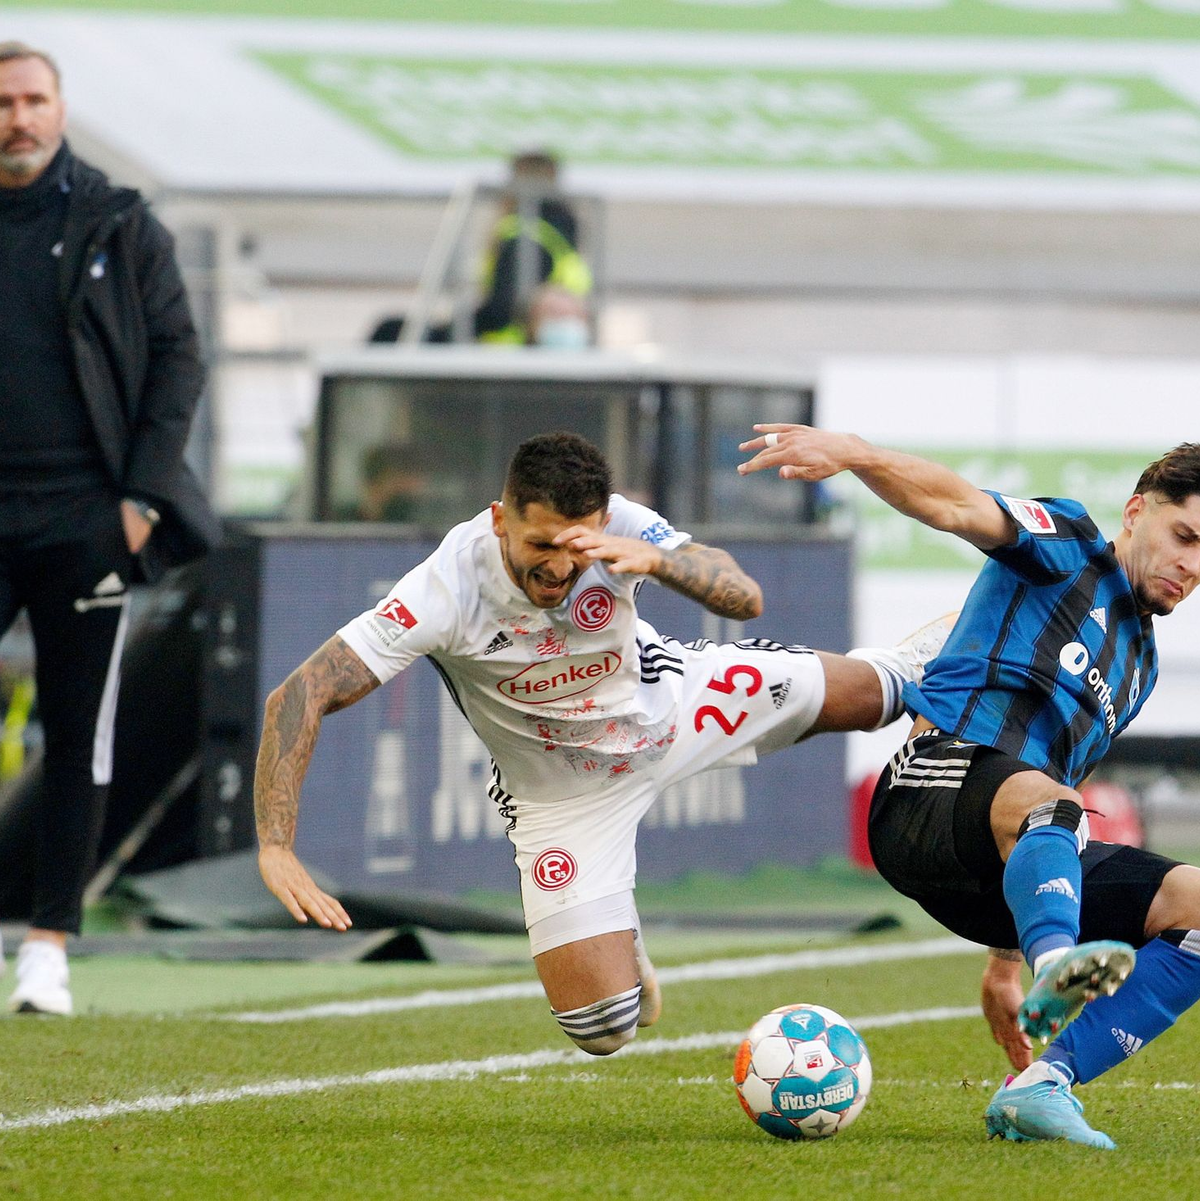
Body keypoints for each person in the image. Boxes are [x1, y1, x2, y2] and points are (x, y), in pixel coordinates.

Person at [254, 431, 949, 1055]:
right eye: (541, 545)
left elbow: (744, 596)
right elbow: (300, 696)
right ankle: (622, 931)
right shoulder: (444, 589)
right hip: (564, 792)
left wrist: (656, 557)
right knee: (605, 1027)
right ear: (501, 520)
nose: (558, 567)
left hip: (671, 705)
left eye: (576, 545)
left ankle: (930, 650)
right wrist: (277, 845)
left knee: (874, 696)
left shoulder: (622, 525)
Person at [739, 425, 1200, 1149]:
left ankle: (1040, 1086)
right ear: (1138, 511)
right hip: (925, 792)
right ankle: (1061, 966)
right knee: (1056, 802)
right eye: (1185, 535)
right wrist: (854, 454)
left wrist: (1002, 962)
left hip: (999, 854)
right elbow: (955, 504)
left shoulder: (1138, 661)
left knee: (1196, 908)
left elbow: (1050, 804)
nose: (1190, 564)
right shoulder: (1068, 542)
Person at [0, 42, 219, 1014]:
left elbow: (178, 359)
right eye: (3, 101)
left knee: (79, 728)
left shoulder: (118, 221)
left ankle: (49, 944)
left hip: (88, 518)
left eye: (33, 99)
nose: (18, 117)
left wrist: (137, 502)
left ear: (60, 107)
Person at [368, 150, 592, 346]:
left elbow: (500, 312)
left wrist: (455, 329)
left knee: (390, 332)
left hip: (505, 353)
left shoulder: (526, 236)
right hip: (521, 348)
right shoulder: (559, 235)